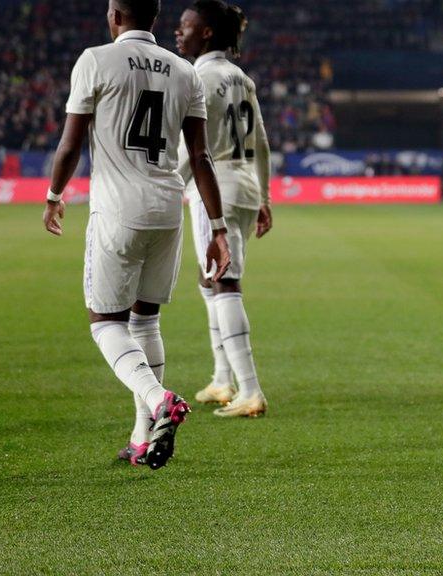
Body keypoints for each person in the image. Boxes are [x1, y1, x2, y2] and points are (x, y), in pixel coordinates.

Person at [42, 0, 231, 468]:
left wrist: (53, 195)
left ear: (114, 17)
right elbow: (201, 158)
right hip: (169, 207)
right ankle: (142, 437)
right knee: (146, 321)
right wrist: (219, 229)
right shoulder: (184, 71)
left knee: (106, 322)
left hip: (117, 209)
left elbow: (70, 144)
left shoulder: (95, 60)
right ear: (156, 19)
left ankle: (158, 399)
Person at [176, 0, 271, 417]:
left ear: (207, 32)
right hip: (246, 185)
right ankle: (221, 378)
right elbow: (263, 143)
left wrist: (164, 187)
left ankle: (249, 390)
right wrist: (265, 197)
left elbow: (190, 149)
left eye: (186, 26)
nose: (179, 33)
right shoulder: (241, 77)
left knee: (225, 284)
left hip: (217, 188)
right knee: (208, 278)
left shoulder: (198, 76)